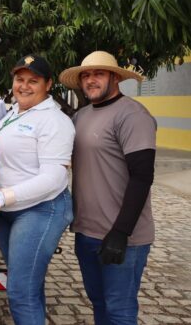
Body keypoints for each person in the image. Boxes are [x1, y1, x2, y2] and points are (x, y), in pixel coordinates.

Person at [0, 55, 75, 324]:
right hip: (10, 210)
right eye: (20, 79)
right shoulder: (13, 112)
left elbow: (54, 177)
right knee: (29, 285)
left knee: (20, 291)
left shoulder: (54, 120)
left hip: (41, 209)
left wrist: (0, 196)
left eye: (34, 81)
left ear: (49, 84)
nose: (25, 86)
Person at [59, 51, 154, 325]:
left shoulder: (133, 115)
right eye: (86, 75)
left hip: (123, 236)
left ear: (115, 77)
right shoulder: (81, 116)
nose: (91, 80)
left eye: (98, 74)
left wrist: (121, 232)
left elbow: (142, 176)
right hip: (87, 232)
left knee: (120, 311)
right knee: (99, 304)